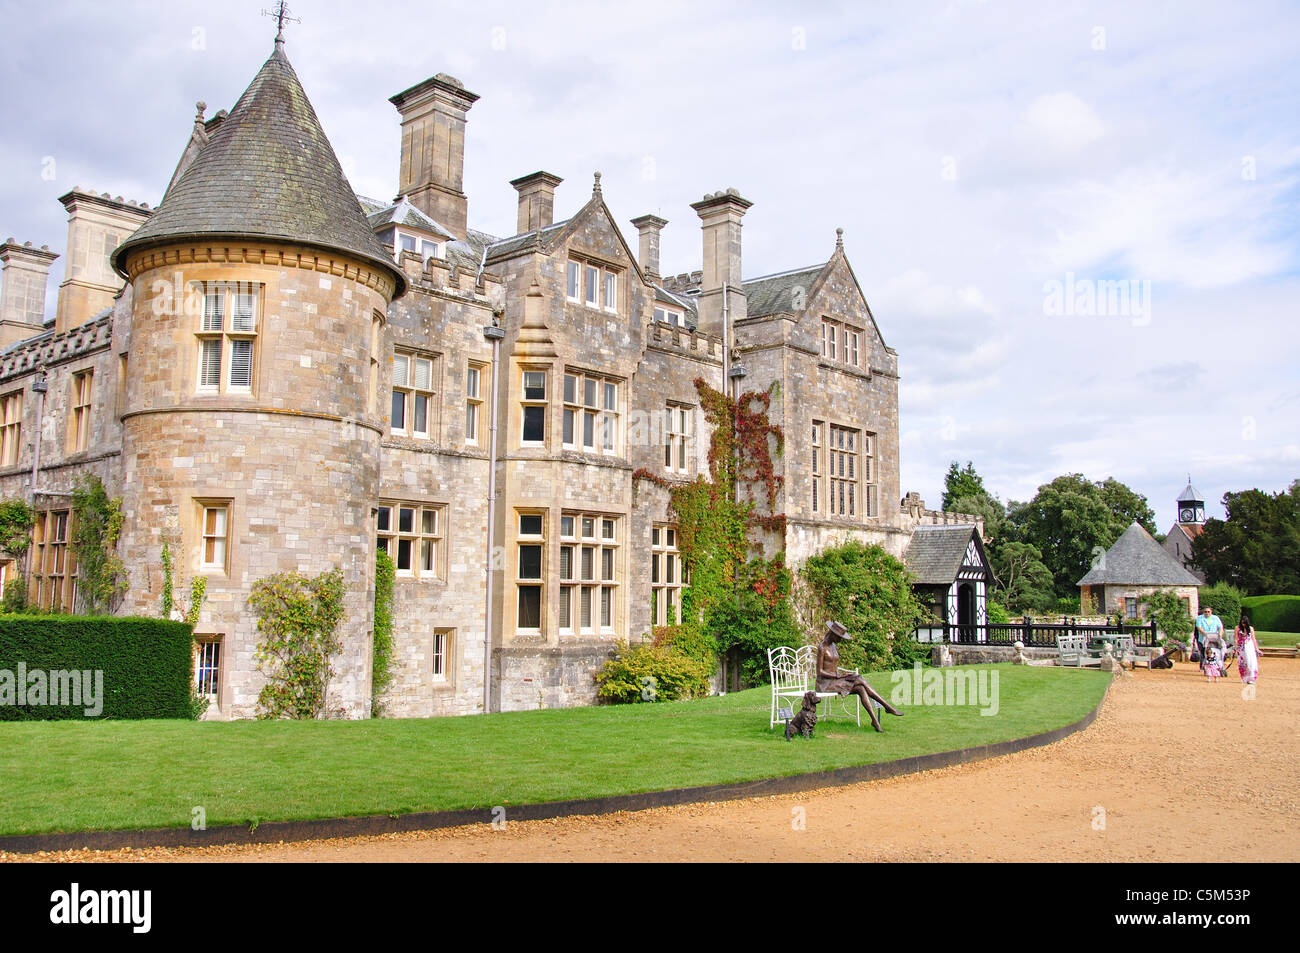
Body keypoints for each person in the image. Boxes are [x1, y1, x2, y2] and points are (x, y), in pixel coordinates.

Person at [815, 620, 903, 733]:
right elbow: (819, 672)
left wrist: (844, 675)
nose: (840, 640)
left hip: (834, 680)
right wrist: (838, 675)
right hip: (824, 684)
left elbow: (834, 667)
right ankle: (887, 707)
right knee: (860, 678)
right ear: (833, 634)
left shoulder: (834, 647)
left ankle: (875, 721)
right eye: (839, 637)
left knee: (861, 688)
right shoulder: (822, 648)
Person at [1194, 605, 1223, 671]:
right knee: (1203, 653)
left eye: (1208, 612)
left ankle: (1215, 666)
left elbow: (1220, 627)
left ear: (1211, 612)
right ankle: (1202, 666)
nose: (1207, 613)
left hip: (1213, 638)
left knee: (1214, 652)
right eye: (1205, 612)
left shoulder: (1216, 618)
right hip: (1203, 638)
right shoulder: (1200, 618)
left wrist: (1220, 635)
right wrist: (1206, 634)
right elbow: (1199, 627)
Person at [1236, 612, 1261, 685]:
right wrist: (1236, 646)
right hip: (1241, 647)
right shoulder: (1237, 628)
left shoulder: (1250, 629)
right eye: (1242, 623)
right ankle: (1244, 677)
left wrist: (1257, 649)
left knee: (1251, 662)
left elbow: (1253, 639)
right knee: (1243, 662)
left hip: (1249, 646)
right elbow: (1236, 638)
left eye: (1244, 623)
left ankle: (1251, 678)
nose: (1243, 624)